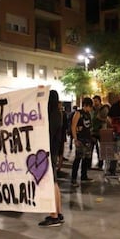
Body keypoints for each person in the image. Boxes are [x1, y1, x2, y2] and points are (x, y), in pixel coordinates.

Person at [38, 90, 64, 227]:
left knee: (51, 183)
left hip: (50, 151)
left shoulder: (53, 115)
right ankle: (58, 213)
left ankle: (53, 215)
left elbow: (49, 134)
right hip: (53, 151)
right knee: (54, 182)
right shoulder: (57, 114)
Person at [71, 97, 94, 187]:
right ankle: (73, 178)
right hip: (80, 139)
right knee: (78, 158)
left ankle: (84, 176)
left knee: (86, 158)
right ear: (86, 105)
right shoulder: (78, 113)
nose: (90, 108)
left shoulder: (88, 114)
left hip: (87, 138)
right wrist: (75, 139)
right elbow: (73, 126)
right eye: (90, 106)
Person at [90, 95, 109, 170]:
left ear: (99, 101)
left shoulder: (104, 109)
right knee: (91, 147)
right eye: (94, 101)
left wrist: (99, 118)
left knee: (101, 148)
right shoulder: (92, 109)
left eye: (96, 101)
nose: (94, 103)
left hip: (101, 130)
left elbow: (106, 119)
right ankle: (89, 163)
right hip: (93, 131)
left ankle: (100, 163)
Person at [56, 102, 68, 176]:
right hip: (61, 135)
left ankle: (58, 168)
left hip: (58, 136)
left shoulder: (53, 113)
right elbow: (66, 126)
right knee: (60, 153)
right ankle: (58, 168)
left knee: (59, 153)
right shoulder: (63, 113)